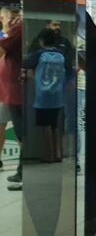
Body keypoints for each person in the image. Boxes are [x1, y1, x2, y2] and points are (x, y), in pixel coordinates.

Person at [23, 28, 70, 162]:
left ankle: (48, 155)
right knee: (55, 125)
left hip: (42, 96)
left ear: (42, 41)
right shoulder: (61, 54)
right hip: (57, 96)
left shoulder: (38, 54)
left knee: (45, 126)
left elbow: (26, 64)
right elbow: (68, 71)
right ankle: (58, 154)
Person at [1, 9, 23, 191]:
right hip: (9, 91)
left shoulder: (18, 29)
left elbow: (2, 49)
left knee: (20, 131)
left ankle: (24, 170)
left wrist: (7, 27)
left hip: (15, 91)